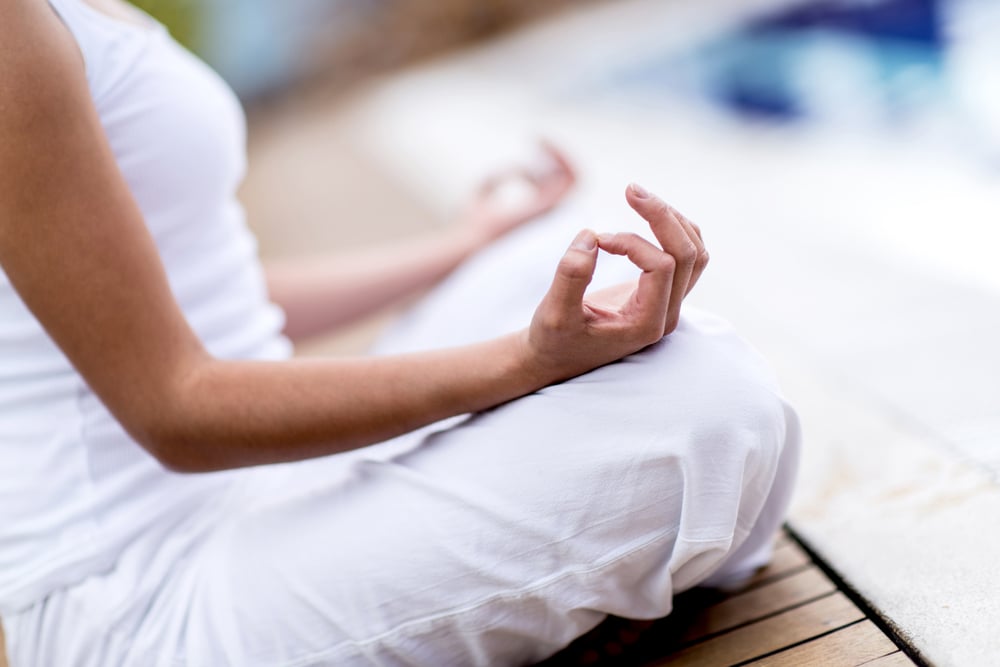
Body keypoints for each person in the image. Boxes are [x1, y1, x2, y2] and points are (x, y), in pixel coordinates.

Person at [0, 0, 801, 665]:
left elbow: (187, 298)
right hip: (142, 594)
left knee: (560, 255)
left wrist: (457, 248)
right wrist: (528, 360)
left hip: (278, 475)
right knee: (709, 405)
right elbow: (176, 408)